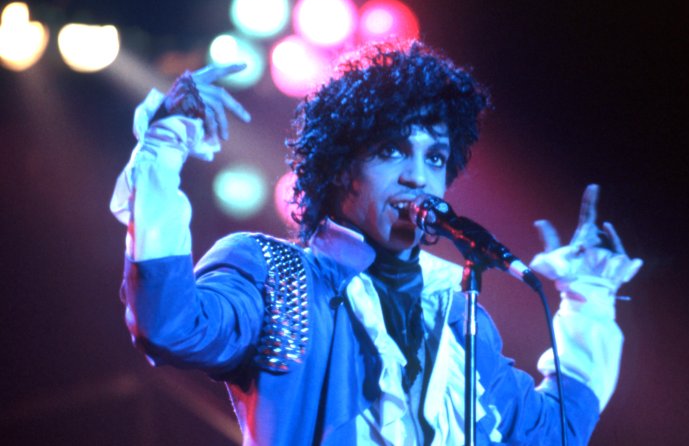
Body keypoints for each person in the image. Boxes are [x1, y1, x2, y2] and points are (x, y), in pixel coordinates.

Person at [110, 40, 642, 445]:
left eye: (434, 157)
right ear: (342, 170)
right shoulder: (275, 275)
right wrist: (161, 155)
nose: (418, 177)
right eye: (392, 150)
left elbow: (551, 432)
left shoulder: (455, 310)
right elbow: (170, 326)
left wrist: (587, 299)